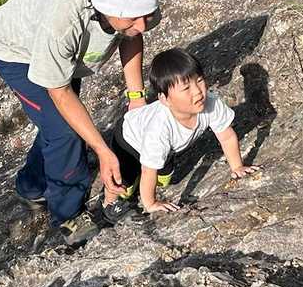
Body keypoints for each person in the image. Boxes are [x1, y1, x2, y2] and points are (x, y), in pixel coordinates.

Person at [0, 0, 160, 247]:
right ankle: (67, 215)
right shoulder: (63, 20)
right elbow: (60, 91)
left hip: (63, 52)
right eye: (134, 17)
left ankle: (30, 186)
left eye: (147, 15)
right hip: (18, 51)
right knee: (65, 131)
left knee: (55, 125)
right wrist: (102, 151)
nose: (143, 24)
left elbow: (131, 37)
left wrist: (136, 97)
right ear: (106, 7)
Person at [104, 47, 256, 218]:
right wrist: (151, 203)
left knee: (164, 179)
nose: (197, 91)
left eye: (199, 80)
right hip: (128, 140)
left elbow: (227, 137)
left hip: (161, 147)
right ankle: (108, 204)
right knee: (124, 183)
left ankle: (140, 184)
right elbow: (148, 170)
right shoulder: (159, 129)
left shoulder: (211, 103)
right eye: (186, 88)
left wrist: (237, 167)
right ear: (164, 99)